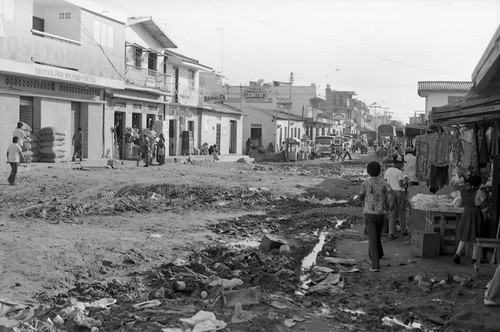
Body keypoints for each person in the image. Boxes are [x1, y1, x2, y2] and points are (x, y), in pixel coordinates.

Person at [359, 161, 396, 272]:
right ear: (380, 171)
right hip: (381, 214)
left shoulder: (365, 183)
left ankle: (375, 265)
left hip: (369, 214)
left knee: (372, 239)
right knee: (377, 235)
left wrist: (363, 197)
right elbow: (394, 196)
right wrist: (390, 209)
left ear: (368, 171)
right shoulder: (384, 183)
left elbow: (361, 197)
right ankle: (379, 254)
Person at [453, 175, 489, 271]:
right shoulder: (479, 192)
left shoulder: (463, 191)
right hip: (476, 213)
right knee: (476, 236)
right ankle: (474, 258)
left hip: (466, 212)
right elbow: (484, 204)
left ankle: (457, 254)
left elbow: (460, 201)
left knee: (464, 234)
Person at [384, 155, 409, 238]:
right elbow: (401, 184)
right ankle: (403, 231)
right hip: (399, 192)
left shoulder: (387, 171)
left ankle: (391, 233)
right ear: (398, 163)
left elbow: (385, 182)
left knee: (392, 213)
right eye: (401, 163)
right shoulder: (399, 172)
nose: (402, 165)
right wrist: (406, 183)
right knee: (401, 212)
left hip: (391, 192)